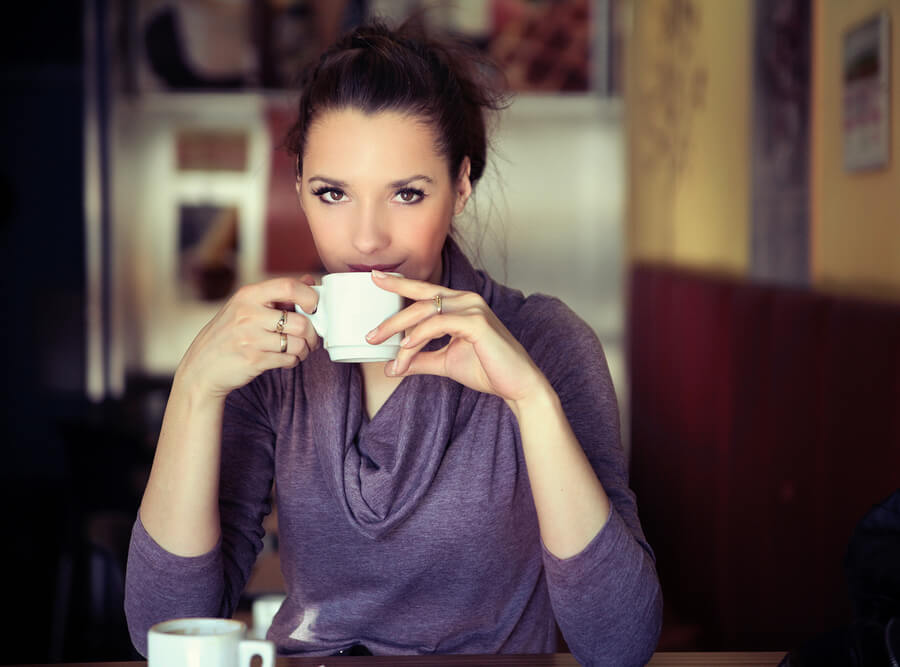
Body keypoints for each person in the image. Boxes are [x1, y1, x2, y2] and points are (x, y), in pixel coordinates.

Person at [124, 17, 662, 665]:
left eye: (407, 193)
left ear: (461, 186)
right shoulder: (275, 355)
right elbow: (164, 627)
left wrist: (529, 400)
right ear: (299, 188)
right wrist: (195, 386)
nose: (367, 237)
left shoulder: (547, 342)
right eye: (333, 193)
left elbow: (620, 645)